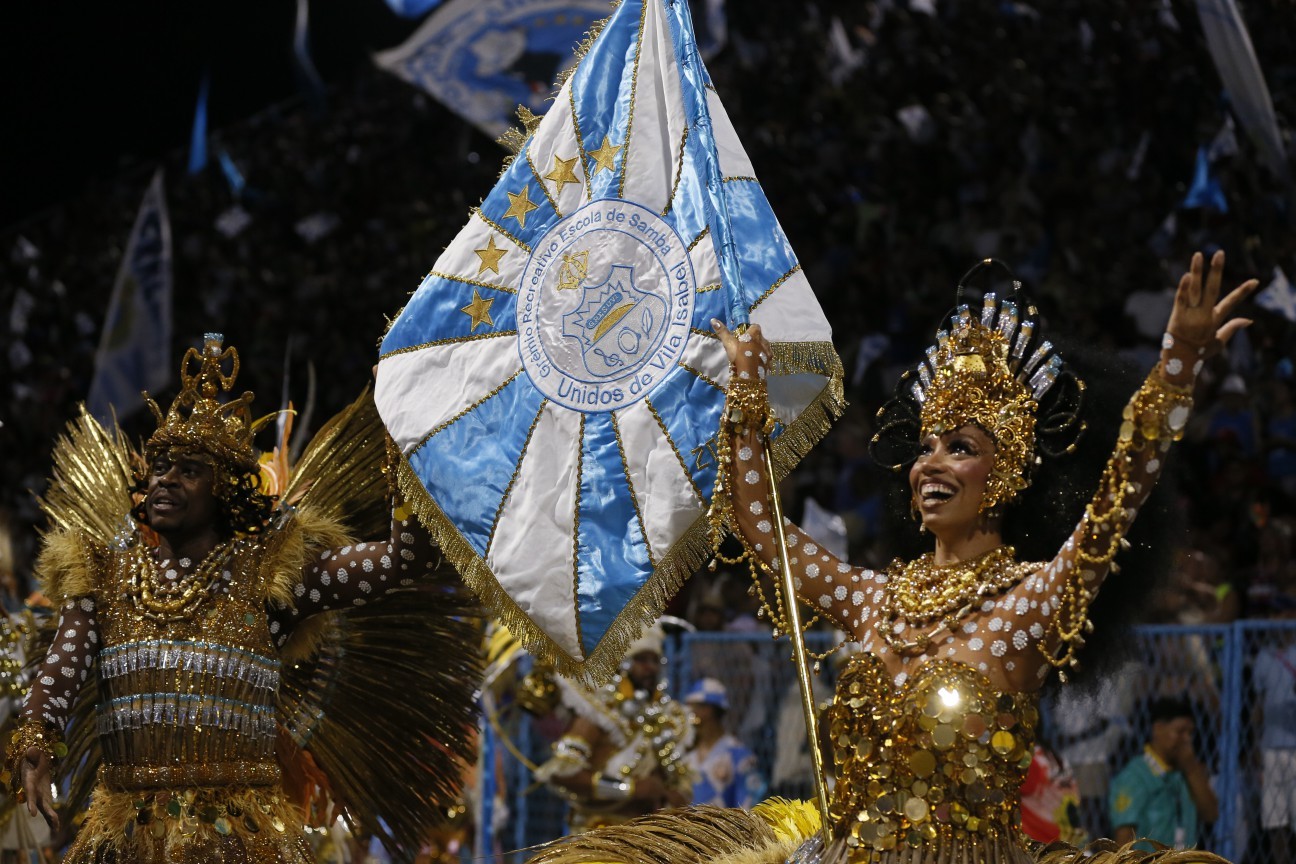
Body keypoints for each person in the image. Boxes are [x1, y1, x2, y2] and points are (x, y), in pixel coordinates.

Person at [525, 251, 1254, 864]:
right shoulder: (877, 601)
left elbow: (1120, 496)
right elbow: (759, 526)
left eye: (960, 447)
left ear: (1005, 474)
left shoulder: (1029, 603)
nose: (929, 462)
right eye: (926, 446)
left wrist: (1177, 365)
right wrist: (746, 397)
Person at [6, 335, 480, 863]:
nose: (166, 480)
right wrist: (36, 741)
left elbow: (404, 559)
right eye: (160, 467)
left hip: (244, 842)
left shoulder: (271, 575)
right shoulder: (101, 576)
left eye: (189, 471)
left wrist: (407, 438)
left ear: (225, 491)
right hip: (127, 841)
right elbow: (61, 671)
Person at [534, 624, 692, 831]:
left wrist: (671, 796)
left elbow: (679, 786)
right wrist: (630, 789)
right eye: (642, 660)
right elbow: (562, 773)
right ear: (623, 663)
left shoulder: (668, 720)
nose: (651, 668)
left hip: (646, 836)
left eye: (655, 661)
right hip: (597, 833)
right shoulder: (598, 712)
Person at [1108, 697, 1219, 851]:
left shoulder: (1186, 773)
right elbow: (1123, 839)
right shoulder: (1135, 777)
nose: (1187, 739)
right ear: (1158, 729)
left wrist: (1192, 769)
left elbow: (1211, 814)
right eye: (1180, 732)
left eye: (1190, 733)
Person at [684, 678, 766, 810]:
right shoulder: (686, 753)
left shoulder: (738, 755)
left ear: (709, 710)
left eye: (695, 706)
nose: (689, 712)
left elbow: (749, 804)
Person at [1251, 630, 1296, 864]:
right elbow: (1258, 704)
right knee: (1275, 819)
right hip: (1270, 747)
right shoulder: (1264, 656)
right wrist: (1255, 744)